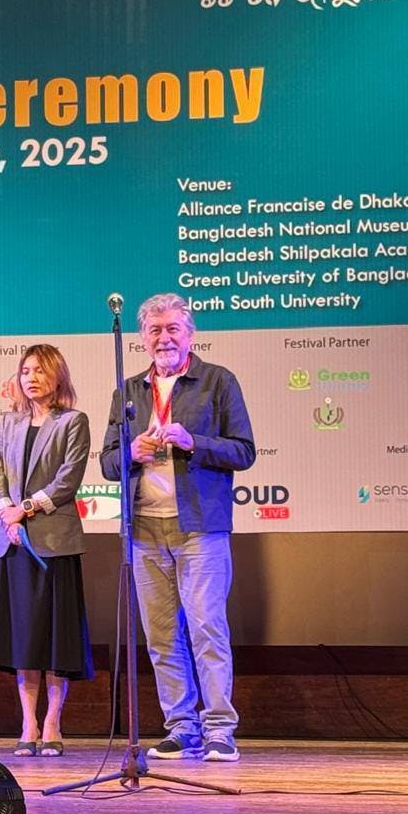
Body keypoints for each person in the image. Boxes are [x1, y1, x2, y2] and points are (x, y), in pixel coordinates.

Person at [101, 293, 255, 762]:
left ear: (190, 334)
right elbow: (108, 462)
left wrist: (193, 442)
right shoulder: (128, 390)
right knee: (162, 635)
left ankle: (219, 729)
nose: (164, 338)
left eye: (173, 329)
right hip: (144, 529)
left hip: (200, 528)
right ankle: (181, 726)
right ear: (142, 338)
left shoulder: (217, 380)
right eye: (155, 330)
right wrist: (131, 453)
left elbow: (244, 451)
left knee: (207, 628)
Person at [0, 344, 93, 758]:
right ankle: (28, 722)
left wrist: (24, 509)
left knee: (54, 638)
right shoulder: (9, 422)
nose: (31, 378)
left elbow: (68, 480)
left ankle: (52, 723)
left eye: (40, 371)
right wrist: (5, 513)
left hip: (53, 544)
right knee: (24, 638)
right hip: (10, 541)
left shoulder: (73, 422)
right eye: (26, 371)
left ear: (57, 376)